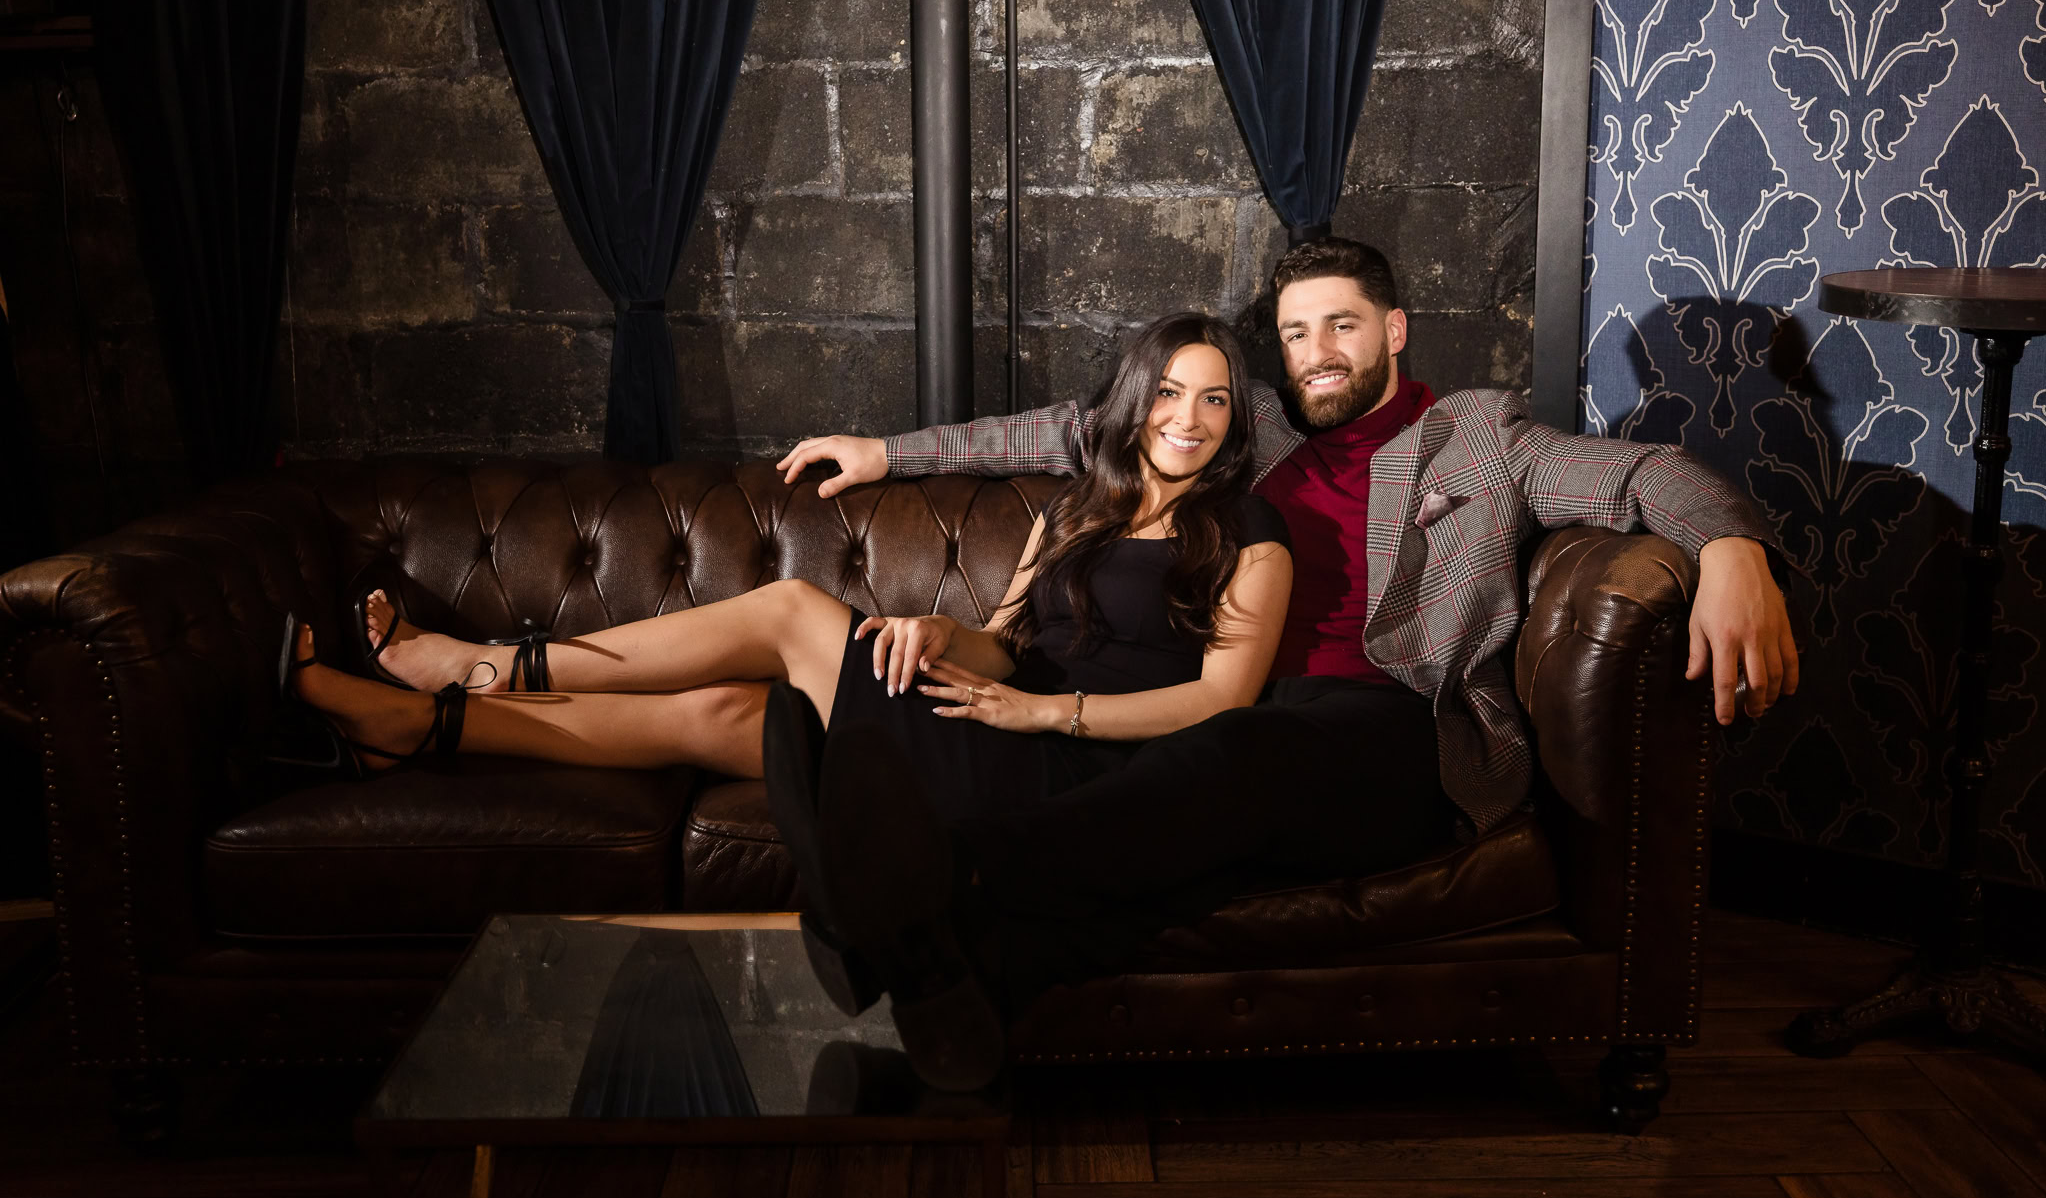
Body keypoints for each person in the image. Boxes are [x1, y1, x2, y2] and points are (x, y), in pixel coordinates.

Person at [768, 236, 1798, 1091]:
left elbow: (1643, 470)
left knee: (1236, 747)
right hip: (1248, 717)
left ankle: (943, 876)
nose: (1316, 353)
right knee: (1201, 788)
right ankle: (967, 977)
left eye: (1341, 326)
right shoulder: (1249, 425)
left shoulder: (1481, 437)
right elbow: (1079, 427)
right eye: (1297, 333)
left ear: (1393, 331)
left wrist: (1730, 548)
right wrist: (887, 454)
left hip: (1390, 724)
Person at [282, 315, 1294, 826]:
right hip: (987, 709)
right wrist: (943, 634)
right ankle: (423, 727)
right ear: (1133, 402)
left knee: (787, 611)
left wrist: (1044, 715)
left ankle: (486, 663)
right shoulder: (1073, 506)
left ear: (1236, 419)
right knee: (721, 714)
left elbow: (1223, 699)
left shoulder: (1247, 529)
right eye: (1169, 392)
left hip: (1070, 768)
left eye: (1214, 400)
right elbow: (1002, 642)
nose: (1188, 419)